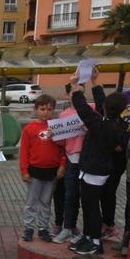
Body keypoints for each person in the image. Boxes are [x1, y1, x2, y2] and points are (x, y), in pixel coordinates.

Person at [70, 68, 130, 255]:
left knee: (91, 207)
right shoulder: (116, 124)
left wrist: (75, 85)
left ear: (107, 108)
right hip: (96, 169)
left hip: (95, 170)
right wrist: (95, 82)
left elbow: (82, 108)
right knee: (89, 205)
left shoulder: (102, 125)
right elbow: (99, 103)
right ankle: (88, 237)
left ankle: (95, 242)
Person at [20, 94, 65, 243]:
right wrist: (24, 171)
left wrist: (62, 166)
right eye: (43, 109)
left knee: (46, 202)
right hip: (35, 171)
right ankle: (28, 228)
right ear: (36, 109)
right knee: (31, 202)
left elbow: (64, 149)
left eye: (50, 109)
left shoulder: (57, 127)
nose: (46, 112)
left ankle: (43, 228)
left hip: (52, 171)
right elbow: (24, 151)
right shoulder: (29, 129)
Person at [53, 83, 89, 245]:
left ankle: (88, 232)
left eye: (81, 92)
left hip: (89, 161)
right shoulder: (64, 115)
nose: (77, 96)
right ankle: (68, 227)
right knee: (70, 195)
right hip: (71, 160)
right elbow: (61, 142)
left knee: (88, 198)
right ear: (68, 95)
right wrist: (56, 134)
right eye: (74, 93)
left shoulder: (92, 109)